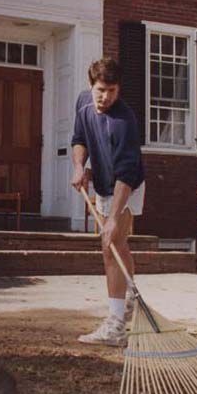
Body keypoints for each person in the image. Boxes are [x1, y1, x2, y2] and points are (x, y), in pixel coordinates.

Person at [70, 57, 145, 347]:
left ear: (119, 89)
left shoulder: (124, 121)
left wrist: (113, 218)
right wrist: (80, 167)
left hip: (126, 185)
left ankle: (115, 325)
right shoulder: (83, 103)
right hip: (103, 181)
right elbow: (79, 138)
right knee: (119, 245)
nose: (106, 97)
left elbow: (126, 173)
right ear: (91, 86)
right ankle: (128, 300)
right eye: (101, 90)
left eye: (112, 91)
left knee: (109, 245)